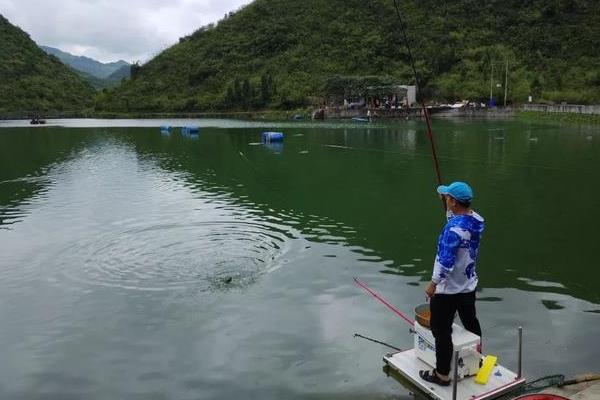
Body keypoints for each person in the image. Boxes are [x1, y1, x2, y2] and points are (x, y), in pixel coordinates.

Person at [419, 181, 484, 386]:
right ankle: (478, 359)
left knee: (441, 330)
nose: (445, 199)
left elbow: (445, 262)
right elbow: (460, 222)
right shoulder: (477, 220)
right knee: (470, 321)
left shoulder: (452, 230)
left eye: (448, 197)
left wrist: (433, 285)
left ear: (454, 202)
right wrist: (449, 207)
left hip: (447, 290)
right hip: (467, 285)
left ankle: (442, 375)